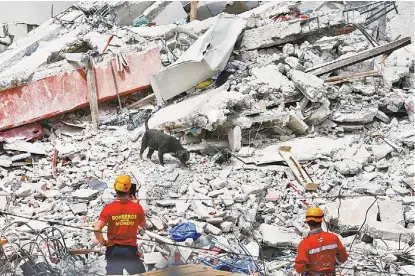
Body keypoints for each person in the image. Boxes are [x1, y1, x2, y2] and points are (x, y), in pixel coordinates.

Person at [94, 175, 146, 275]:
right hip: (129, 251)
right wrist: (137, 206)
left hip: (113, 251)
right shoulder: (136, 208)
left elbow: (97, 229)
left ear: (115, 188)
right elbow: (143, 225)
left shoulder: (108, 209)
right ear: (129, 190)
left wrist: (104, 242)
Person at [295, 207, 348, 276]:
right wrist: (332, 264)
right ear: (321, 220)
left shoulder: (304, 244)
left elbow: (300, 269)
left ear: (307, 222)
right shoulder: (334, 238)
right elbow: (343, 257)